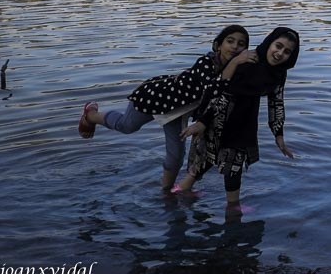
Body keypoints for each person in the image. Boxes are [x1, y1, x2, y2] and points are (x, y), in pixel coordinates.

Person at [77, 25, 251, 192]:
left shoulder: (237, 72)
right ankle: (91, 114)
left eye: (241, 44)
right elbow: (213, 89)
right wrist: (235, 63)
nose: (235, 47)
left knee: (176, 155)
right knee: (127, 126)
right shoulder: (206, 62)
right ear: (218, 45)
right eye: (230, 41)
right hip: (155, 97)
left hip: (176, 112)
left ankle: (166, 191)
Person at [178, 27, 300, 208]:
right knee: (231, 165)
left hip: (245, 120)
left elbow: (276, 102)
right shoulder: (249, 61)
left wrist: (279, 135)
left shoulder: (279, 72)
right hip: (221, 118)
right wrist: (203, 122)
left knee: (213, 160)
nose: (280, 53)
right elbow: (223, 93)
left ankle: (180, 190)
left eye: (287, 51)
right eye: (278, 46)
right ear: (269, 43)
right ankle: (233, 209)